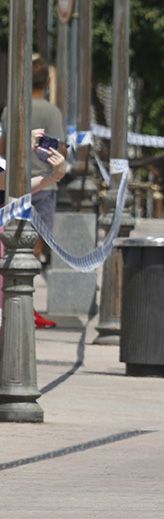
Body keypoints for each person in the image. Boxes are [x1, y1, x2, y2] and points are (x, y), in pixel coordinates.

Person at [0, 55, 69, 329]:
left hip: (11, 184)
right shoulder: (52, 112)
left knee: (11, 247)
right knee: (34, 249)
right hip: (40, 186)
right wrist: (56, 170)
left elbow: (3, 146)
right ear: (47, 82)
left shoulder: (9, 109)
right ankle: (24, 305)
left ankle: (16, 304)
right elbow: (60, 148)